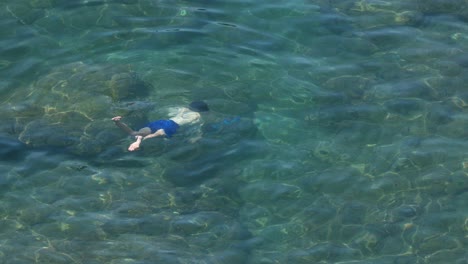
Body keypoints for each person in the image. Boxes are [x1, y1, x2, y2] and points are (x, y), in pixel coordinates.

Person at [112, 101, 209, 151]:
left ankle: (118, 122)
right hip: (172, 126)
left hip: (162, 122)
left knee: (135, 133)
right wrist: (196, 137)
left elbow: (169, 111)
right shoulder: (198, 116)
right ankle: (139, 142)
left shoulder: (182, 109)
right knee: (156, 134)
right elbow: (198, 127)